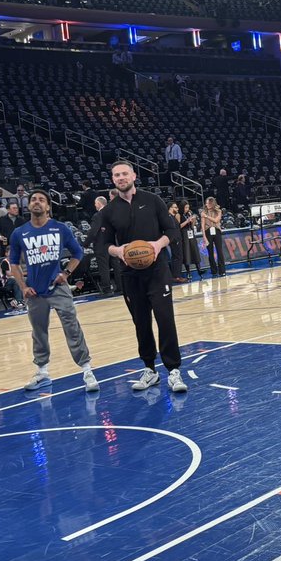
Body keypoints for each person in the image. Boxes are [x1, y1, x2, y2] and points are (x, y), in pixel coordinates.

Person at [93, 160, 188, 392]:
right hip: (130, 274)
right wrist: (119, 251)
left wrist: (157, 245)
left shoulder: (152, 200)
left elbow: (172, 231)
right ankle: (149, 369)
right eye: (116, 175)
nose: (121, 178)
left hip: (157, 271)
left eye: (125, 173)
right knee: (141, 323)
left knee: (165, 319)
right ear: (113, 179)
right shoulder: (109, 211)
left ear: (134, 176)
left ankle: (173, 370)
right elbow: (102, 244)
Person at [7, 190, 97, 391]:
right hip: (35, 292)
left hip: (58, 288)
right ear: (28, 205)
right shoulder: (19, 232)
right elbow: (13, 263)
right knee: (39, 332)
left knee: (72, 327)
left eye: (41, 200)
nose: (36, 202)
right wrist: (23, 286)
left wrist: (65, 273)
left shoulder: (60, 228)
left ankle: (87, 370)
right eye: (33, 200)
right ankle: (42, 372)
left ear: (48, 206)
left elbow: (78, 252)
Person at [87, 196, 121, 295]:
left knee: (104, 267)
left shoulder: (98, 215)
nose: (94, 205)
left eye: (95, 203)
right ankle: (120, 287)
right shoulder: (113, 213)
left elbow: (93, 232)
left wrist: (86, 243)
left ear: (99, 204)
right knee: (116, 266)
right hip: (113, 243)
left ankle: (107, 289)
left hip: (102, 245)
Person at [201, 197, 227, 276]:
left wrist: (206, 216)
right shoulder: (203, 212)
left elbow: (216, 220)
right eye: (206, 203)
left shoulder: (218, 211)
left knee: (219, 251)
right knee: (210, 252)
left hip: (217, 230)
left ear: (212, 203)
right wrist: (204, 237)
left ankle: (222, 270)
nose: (207, 204)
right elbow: (202, 225)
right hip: (208, 231)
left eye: (208, 203)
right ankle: (213, 270)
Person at [179, 200, 204, 279]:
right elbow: (179, 226)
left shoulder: (189, 213)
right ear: (182, 207)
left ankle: (199, 270)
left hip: (191, 233)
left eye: (188, 207)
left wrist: (193, 220)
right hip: (184, 234)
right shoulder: (179, 215)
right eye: (186, 207)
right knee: (187, 253)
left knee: (195, 251)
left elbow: (192, 226)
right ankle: (188, 272)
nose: (187, 209)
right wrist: (187, 221)